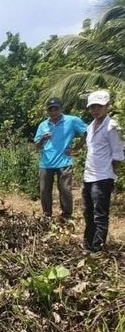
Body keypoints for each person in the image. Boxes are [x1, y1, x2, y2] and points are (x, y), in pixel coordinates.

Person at [34, 97, 88, 220]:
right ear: (47, 111)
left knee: (65, 190)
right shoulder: (43, 125)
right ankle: (47, 215)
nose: (53, 112)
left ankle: (66, 215)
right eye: (50, 110)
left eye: (56, 109)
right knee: (44, 191)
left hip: (64, 162)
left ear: (61, 108)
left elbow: (87, 132)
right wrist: (43, 139)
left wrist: (77, 147)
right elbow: (36, 147)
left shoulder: (72, 121)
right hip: (46, 163)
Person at [83, 90, 123, 253]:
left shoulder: (111, 127)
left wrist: (110, 175)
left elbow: (118, 155)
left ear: (106, 106)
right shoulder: (90, 126)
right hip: (89, 176)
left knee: (100, 215)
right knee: (88, 213)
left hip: (103, 177)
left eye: (98, 107)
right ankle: (88, 244)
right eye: (92, 107)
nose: (95, 110)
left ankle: (97, 248)